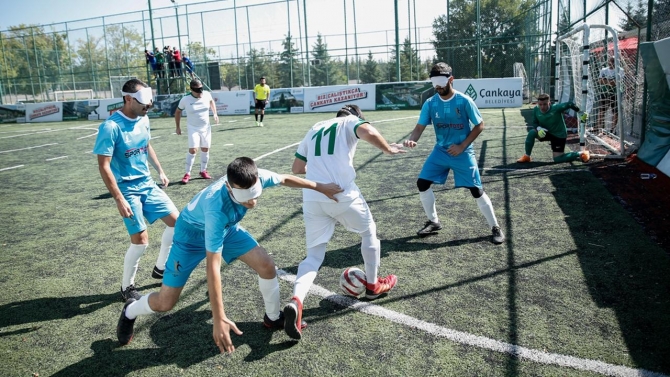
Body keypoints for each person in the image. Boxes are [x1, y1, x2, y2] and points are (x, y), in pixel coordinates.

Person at [116, 157, 343, 353]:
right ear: (229, 187)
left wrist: (320, 186)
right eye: (246, 197)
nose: (252, 201)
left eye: (255, 194)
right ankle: (131, 310)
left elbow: (284, 178)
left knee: (266, 265)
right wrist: (219, 317)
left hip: (227, 229)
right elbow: (213, 268)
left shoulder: (255, 175)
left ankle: (273, 318)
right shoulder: (217, 208)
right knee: (166, 302)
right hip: (190, 237)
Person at [283, 104, 405, 340]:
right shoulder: (350, 122)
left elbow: (297, 168)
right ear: (356, 116)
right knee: (369, 232)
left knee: (313, 257)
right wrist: (388, 148)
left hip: (313, 196)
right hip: (341, 194)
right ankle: (372, 287)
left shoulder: (316, 126)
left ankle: (296, 301)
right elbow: (367, 131)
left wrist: (319, 170)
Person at [93, 78, 179, 301]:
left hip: (147, 184)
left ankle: (161, 268)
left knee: (178, 224)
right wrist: (119, 198)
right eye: (144, 104)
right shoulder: (110, 127)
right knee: (141, 241)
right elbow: (104, 166)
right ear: (128, 99)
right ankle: (127, 287)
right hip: (127, 190)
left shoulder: (144, 118)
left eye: (149, 104)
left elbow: (146, 145)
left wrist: (160, 170)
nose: (147, 108)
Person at [403, 62, 505, 244]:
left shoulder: (464, 100)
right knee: (422, 183)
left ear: (451, 79)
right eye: (434, 82)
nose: (438, 86)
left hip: (462, 152)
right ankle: (434, 222)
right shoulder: (430, 103)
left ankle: (495, 227)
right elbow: (419, 127)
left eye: (441, 81)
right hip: (440, 151)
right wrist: (413, 139)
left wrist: (462, 146)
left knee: (476, 190)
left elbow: (480, 125)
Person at [516, 93, 590, 164]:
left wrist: (580, 112)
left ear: (549, 103)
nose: (542, 107)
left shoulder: (556, 108)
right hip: (546, 132)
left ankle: (581, 153)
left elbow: (569, 104)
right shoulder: (536, 109)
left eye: (544, 104)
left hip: (559, 134)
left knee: (558, 159)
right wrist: (539, 128)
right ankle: (527, 156)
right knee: (532, 132)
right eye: (540, 104)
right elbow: (535, 123)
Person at [175, 79, 219, 184]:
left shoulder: (207, 94)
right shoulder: (185, 99)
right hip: (193, 128)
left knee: (205, 148)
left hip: (206, 128)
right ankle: (187, 173)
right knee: (193, 150)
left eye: (201, 89)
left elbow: (211, 101)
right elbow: (177, 112)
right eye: (198, 90)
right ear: (192, 89)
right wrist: (178, 127)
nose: (200, 92)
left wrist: (215, 113)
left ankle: (203, 171)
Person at [598, 56, 620, 133]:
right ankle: (600, 128)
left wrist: (606, 81)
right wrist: (610, 82)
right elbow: (600, 81)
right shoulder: (603, 70)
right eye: (610, 61)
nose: (610, 63)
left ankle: (612, 130)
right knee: (602, 110)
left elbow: (615, 83)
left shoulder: (619, 70)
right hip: (604, 93)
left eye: (613, 61)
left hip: (614, 94)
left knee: (615, 111)